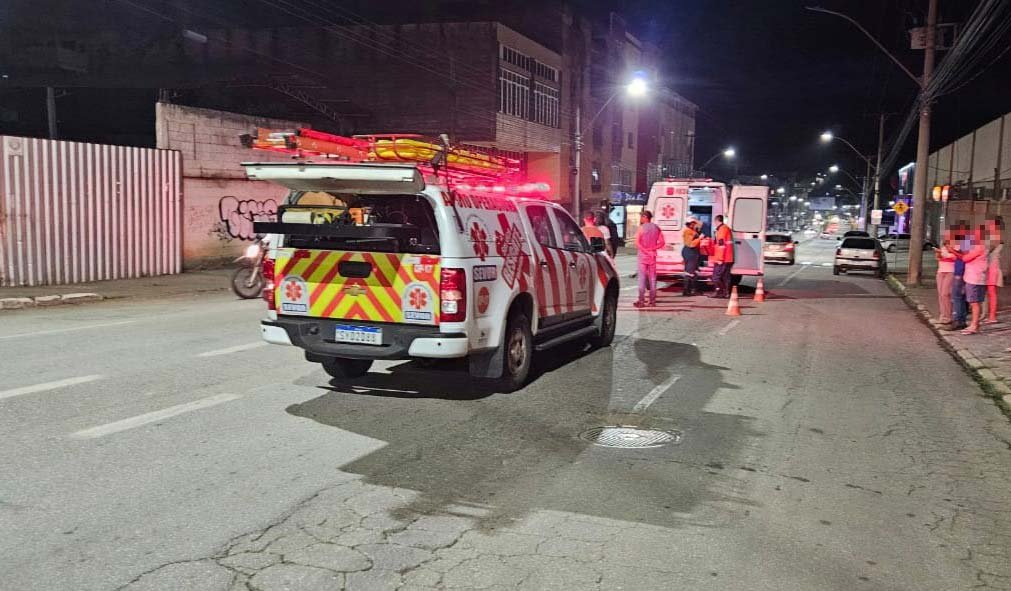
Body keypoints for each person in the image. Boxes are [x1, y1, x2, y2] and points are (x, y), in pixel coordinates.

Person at [960, 224, 988, 335]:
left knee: (974, 303)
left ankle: (974, 325)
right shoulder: (975, 246)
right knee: (974, 302)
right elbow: (964, 251)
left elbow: (965, 258)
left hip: (975, 278)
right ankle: (974, 324)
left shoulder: (979, 247)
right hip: (973, 277)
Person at [635, 210, 665, 308]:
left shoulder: (641, 228)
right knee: (652, 278)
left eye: (641, 217)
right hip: (652, 256)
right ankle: (652, 301)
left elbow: (637, 243)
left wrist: (646, 250)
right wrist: (652, 249)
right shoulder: (656, 228)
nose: (640, 219)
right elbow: (662, 242)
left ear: (645, 217)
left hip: (643, 257)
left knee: (642, 278)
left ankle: (641, 301)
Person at [945, 223, 969, 331]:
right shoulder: (963, 242)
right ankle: (961, 320)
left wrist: (952, 251)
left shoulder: (966, 242)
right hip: (961, 271)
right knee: (961, 297)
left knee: (957, 297)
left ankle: (958, 320)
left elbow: (964, 257)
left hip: (961, 272)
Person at [934, 229, 957, 327]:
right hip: (941, 271)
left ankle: (948, 316)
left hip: (950, 271)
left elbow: (955, 257)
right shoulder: (943, 246)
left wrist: (946, 254)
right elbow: (938, 258)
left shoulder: (956, 246)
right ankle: (943, 315)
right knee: (940, 294)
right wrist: (939, 253)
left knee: (945, 293)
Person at [710, 214, 734, 298]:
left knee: (716, 277)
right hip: (728, 258)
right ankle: (726, 293)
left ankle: (719, 292)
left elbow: (721, 245)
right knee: (725, 277)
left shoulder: (722, 230)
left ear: (716, 221)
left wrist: (720, 259)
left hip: (722, 259)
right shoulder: (726, 228)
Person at [985, 217, 1004, 324]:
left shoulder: (996, 237)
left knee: (992, 292)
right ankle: (990, 315)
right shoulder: (994, 236)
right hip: (991, 266)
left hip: (993, 266)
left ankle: (992, 316)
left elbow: (987, 250)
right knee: (990, 292)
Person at [681, 218, 703, 296]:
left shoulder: (692, 231)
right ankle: (686, 290)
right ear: (689, 224)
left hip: (693, 252)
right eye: (693, 223)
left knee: (693, 271)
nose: (695, 225)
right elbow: (691, 244)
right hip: (690, 252)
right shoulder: (688, 231)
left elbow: (700, 224)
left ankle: (692, 289)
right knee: (689, 272)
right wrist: (699, 238)